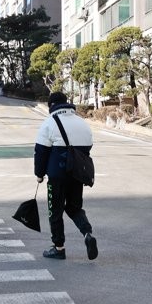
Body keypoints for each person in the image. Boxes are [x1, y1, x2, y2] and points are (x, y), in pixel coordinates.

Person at [34, 91, 98, 261]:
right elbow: (88, 146)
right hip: (77, 173)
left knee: (55, 210)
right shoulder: (81, 122)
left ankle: (59, 247)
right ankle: (87, 233)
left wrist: (39, 174)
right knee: (74, 207)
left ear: (51, 106)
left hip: (57, 175)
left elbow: (40, 151)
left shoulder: (50, 122)